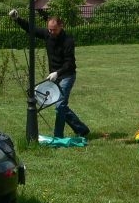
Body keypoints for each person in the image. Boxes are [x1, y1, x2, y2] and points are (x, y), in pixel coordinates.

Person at [9, 9, 90, 138]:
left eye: (54, 30)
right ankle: (82, 129)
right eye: (50, 29)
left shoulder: (68, 41)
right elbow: (31, 29)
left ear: (61, 26)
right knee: (61, 107)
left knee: (60, 105)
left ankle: (58, 136)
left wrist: (57, 73)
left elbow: (69, 63)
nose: (51, 32)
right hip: (55, 75)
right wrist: (17, 19)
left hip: (67, 75)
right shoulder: (48, 34)